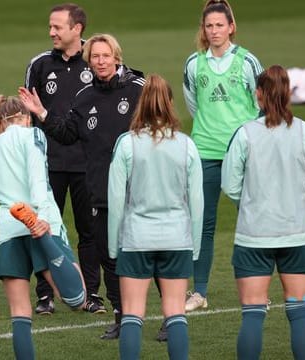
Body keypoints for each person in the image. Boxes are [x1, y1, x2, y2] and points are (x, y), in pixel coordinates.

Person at [20, 33, 145, 339]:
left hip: (139, 190)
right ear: (89, 62)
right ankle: (121, 316)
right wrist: (43, 114)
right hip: (101, 192)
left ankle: (170, 317)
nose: (100, 62)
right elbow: (65, 133)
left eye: (106, 56)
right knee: (109, 256)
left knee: (147, 253)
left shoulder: (138, 89)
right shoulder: (85, 97)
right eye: (95, 57)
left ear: (117, 56)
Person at [0, 95, 85, 359]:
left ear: (0, 120)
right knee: (77, 297)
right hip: (39, 224)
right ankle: (46, 245)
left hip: (8, 232)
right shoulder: (33, 136)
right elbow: (36, 176)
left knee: (20, 313)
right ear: (26, 117)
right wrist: (40, 217)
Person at [222, 65, 305, 360]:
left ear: (258, 95)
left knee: (252, 314)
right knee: (300, 313)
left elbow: (230, 185)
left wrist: (250, 205)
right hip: (298, 235)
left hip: (254, 236)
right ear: (288, 95)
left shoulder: (245, 134)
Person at [108, 74, 203, 359]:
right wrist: (194, 246)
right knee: (175, 312)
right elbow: (197, 202)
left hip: (137, 238)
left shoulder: (126, 144)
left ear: (141, 105)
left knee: (133, 314)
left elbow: (115, 200)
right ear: (170, 104)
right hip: (177, 238)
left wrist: (115, 246)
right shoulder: (187, 145)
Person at [182, 0, 263, 311]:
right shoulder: (193, 63)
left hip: (243, 155)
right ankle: (199, 292)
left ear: (231, 27)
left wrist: (246, 140)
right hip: (204, 152)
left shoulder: (247, 62)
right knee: (202, 223)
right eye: (209, 25)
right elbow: (193, 104)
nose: (214, 31)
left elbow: (262, 104)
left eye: (219, 25)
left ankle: (257, 288)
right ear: (203, 29)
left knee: (253, 220)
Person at [24, 3, 102, 316]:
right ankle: (45, 295)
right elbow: (29, 115)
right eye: (51, 26)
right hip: (47, 164)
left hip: (87, 164)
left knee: (89, 232)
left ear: (77, 29)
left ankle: (92, 293)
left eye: (58, 27)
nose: (52, 32)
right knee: (44, 229)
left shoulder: (97, 60)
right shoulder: (40, 64)